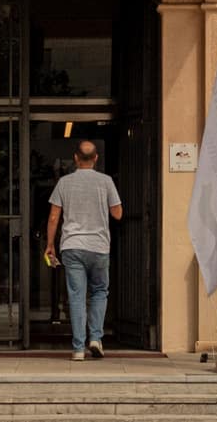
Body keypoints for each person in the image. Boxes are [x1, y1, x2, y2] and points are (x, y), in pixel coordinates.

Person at [44, 139, 123, 361]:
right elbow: (117, 214)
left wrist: (50, 244)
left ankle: (78, 348)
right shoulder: (106, 181)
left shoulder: (64, 183)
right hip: (99, 247)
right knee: (99, 292)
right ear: (96, 158)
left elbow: (53, 217)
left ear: (76, 158)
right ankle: (96, 338)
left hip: (72, 246)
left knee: (76, 297)